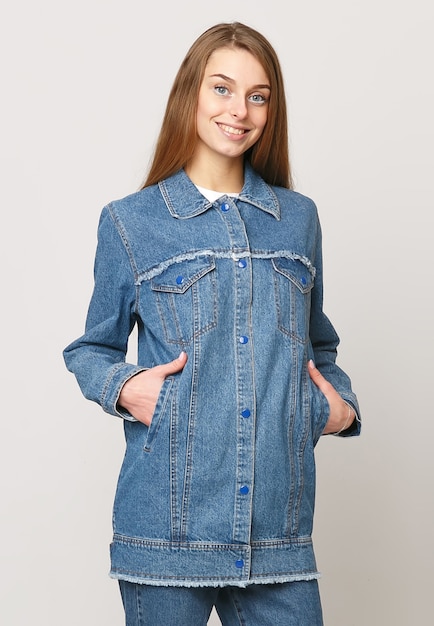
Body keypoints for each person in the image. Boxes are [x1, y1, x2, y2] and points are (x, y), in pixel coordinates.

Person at [63, 21, 360, 626]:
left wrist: (338, 407)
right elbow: (91, 348)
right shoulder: (131, 221)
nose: (240, 111)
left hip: (278, 533)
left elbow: (318, 344)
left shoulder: (297, 219)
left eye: (258, 96)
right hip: (166, 533)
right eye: (222, 89)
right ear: (191, 95)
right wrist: (125, 388)